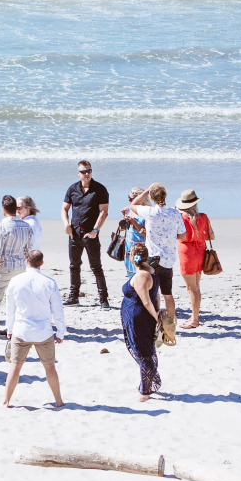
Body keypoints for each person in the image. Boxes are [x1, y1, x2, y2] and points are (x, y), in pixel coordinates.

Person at [2, 250, 66, 408]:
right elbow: (58, 311)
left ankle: (6, 400)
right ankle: (58, 400)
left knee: (15, 366)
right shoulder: (49, 283)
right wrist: (60, 332)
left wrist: (9, 329)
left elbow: (10, 309)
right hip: (43, 332)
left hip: (21, 330)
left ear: (26, 261)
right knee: (50, 367)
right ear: (42, 263)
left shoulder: (15, 281)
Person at [132, 183, 186, 343]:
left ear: (152, 197)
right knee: (168, 294)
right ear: (165, 196)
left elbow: (133, 205)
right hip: (168, 259)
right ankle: (170, 326)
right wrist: (170, 235)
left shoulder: (150, 212)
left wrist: (146, 191)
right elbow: (182, 236)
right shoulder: (175, 213)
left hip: (153, 259)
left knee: (152, 293)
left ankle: (153, 322)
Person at [61, 159, 110, 308]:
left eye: (89, 171)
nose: (87, 174)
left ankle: (103, 299)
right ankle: (73, 297)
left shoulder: (99, 189)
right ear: (78, 173)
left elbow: (104, 212)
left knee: (96, 267)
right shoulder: (72, 189)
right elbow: (64, 209)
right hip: (74, 234)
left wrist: (95, 230)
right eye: (84, 172)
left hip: (90, 234)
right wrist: (66, 225)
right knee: (74, 266)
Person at [120, 242, 164, 401]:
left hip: (139, 319)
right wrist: (157, 310)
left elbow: (146, 301)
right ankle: (145, 385)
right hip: (140, 317)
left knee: (142, 353)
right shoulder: (150, 270)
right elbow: (156, 294)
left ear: (133, 257)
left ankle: (145, 392)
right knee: (146, 350)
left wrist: (156, 316)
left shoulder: (141, 276)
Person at [0, 195, 33, 339]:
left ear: (3, 209)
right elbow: (28, 249)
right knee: (16, 300)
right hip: (20, 267)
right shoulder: (26, 226)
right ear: (16, 209)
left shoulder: (2, 226)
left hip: (4, 267)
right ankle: (12, 328)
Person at [176, 189, 215, 330]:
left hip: (187, 253)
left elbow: (178, 235)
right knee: (196, 286)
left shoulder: (181, 218)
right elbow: (211, 235)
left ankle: (195, 319)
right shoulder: (203, 217)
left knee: (191, 288)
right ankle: (195, 316)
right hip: (200, 250)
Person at [119, 188, 147, 277]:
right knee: (130, 272)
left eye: (132, 199)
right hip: (129, 248)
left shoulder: (145, 212)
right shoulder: (130, 211)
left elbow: (146, 235)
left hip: (140, 249)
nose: (129, 200)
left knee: (139, 273)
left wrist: (134, 223)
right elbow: (122, 229)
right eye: (129, 197)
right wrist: (124, 217)